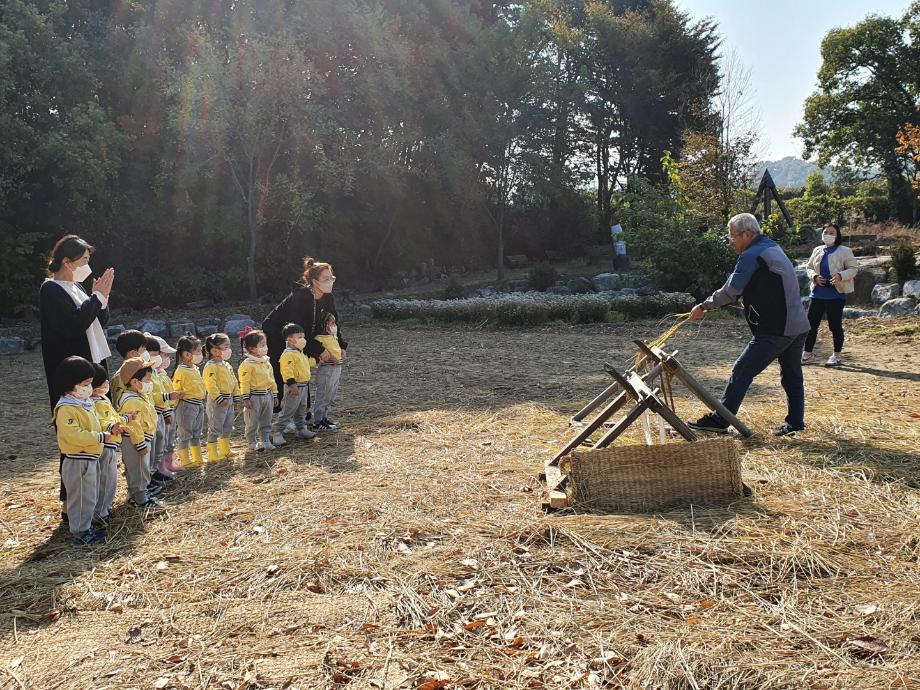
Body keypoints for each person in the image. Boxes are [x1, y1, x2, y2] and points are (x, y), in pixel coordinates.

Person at [687, 213, 811, 436]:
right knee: (792, 374)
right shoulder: (770, 246)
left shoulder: (751, 254)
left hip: (777, 328)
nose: (731, 241)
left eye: (732, 236)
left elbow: (730, 291)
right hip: (798, 324)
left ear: (747, 234)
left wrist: (703, 306)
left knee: (742, 369)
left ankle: (720, 419)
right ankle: (796, 422)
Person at [40, 235, 114, 409]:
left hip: (92, 359)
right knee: (78, 419)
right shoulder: (50, 288)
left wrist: (102, 298)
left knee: (102, 415)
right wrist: (95, 298)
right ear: (67, 261)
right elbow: (72, 326)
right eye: (84, 260)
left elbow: (96, 322)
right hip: (72, 365)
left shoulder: (77, 286)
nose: (87, 266)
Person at [262, 257, 347, 406]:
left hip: (302, 335)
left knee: (302, 371)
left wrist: (341, 345)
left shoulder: (328, 297)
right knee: (288, 373)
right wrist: (318, 349)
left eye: (331, 277)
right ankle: (282, 417)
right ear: (314, 281)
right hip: (278, 334)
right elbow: (299, 328)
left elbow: (333, 322)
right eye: (325, 278)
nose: (330, 281)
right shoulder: (301, 297)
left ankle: (303, 417)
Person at [53, 356, 109, 545]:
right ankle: (80, 533)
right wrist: (100, 436)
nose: (89, 388)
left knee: (89, 495)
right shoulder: (66, 408)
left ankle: (86, 525)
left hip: (89, 457)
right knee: (80, 497)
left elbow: (94, 422)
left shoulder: (83, 402)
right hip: (77, 460)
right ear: (71, 383)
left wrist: (109, 429)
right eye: (86, 384)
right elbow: (75, 435)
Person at [803, 223, 858, 367]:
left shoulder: (845, 251)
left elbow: (853, 268)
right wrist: (814, 276)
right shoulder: (817, 250)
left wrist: (840, 275)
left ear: (837, 235)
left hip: (836, 295)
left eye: (832, 232)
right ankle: (807, 354)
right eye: (826, 232)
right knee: (810, 325)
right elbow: (808, 267)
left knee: (835, 326)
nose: (828, 234)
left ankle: (837, 355)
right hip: (817, 294)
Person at [118, 358, 162, 510]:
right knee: (138, 470)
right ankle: (140, 499)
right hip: (135, 442)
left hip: (142, 439)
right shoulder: (131, 401)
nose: (151, 382)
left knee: (141, 468)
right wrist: (140, 444)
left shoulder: (139, 396)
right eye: (148, 379)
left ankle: (136, 496)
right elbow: (133, 425)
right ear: (135, 382)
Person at [90, 364, 129, 527]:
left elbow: (112, 417)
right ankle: (100, 512)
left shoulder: (102, 399)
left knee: (109, 478)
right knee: (106, 479)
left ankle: (105, 508)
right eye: (103, 382)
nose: (107, 383)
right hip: (106, 445)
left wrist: (125, 418)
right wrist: (112, 427)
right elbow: (104, 421)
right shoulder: (94, 403)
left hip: (111, 442)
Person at [271, 322, 316, 445]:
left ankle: (301, 429)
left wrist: (315, 360)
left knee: (301, 409)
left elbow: (304, 364)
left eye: (303, 337)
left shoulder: (299, 352)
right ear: (290, 340)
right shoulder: (288, 354)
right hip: (294, 387)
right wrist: (292, 384)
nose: (303, 340)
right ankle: (277, 432)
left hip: (303, 385)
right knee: (288, 410)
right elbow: (286, 371)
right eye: (299, 337)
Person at [203, 332, 241, 461]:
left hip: (229, 399)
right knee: (215, 426)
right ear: (214, 350)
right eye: (225, 346)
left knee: (228, 424)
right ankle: (213, 453)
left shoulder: (227, 365)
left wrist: (236, 397)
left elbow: (234, 381)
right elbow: (210, 385)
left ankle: (225, 449)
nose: (229, 349)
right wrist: (219, 398)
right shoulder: (210, 366)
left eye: (228, 346)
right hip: (217, 402)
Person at [238, 329, 278, 451]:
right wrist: (246, 397)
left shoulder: (266, 362)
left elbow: (271, 379)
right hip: (254, 396)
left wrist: (275, 394)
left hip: (268, 395)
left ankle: (265, 440)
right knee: (252, 421)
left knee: (267, 419)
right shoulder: (247, 364)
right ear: (251, 348)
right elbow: (244, 382)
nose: (265, 347)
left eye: (265, 344)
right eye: (261, 345)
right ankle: (251, 441)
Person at [172, 334, 207, 467]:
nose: (200, 354)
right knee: (185, 433)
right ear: (187, 354)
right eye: (197, 351)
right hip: (186, 405)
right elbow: (176, 389)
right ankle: (185, 460)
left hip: (198, 404)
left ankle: (197, 457)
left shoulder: (195, 368)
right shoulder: (181, 371)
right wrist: (174, 406)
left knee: (197, 432)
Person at [312, 312, 343, 432]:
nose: (334, 326)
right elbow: (320, 354)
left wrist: (342, 352)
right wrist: (331, 358)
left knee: (330, 394)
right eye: (332, 323)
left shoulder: (332, 336)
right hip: (326, 370)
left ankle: (324, 418)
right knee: (323, 394)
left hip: (336, 368)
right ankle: (318, 421)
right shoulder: (319, 338)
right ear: (324, 324)